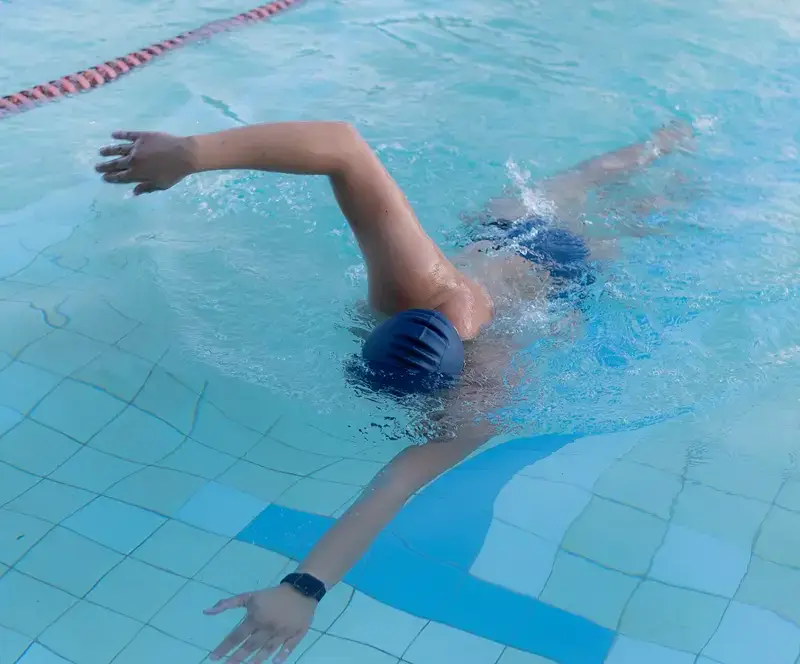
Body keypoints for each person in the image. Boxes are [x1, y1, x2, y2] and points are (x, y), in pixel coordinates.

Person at [95, 119, 692, 664]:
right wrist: (189, 153)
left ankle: (680, 152)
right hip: (502, 227)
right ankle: (670, 145)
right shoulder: (416, 289)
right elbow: (341, 146)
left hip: (564, 267)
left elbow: (401, 480)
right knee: (590, 178)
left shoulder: (487, 385)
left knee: (648, 207)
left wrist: (302, 588)